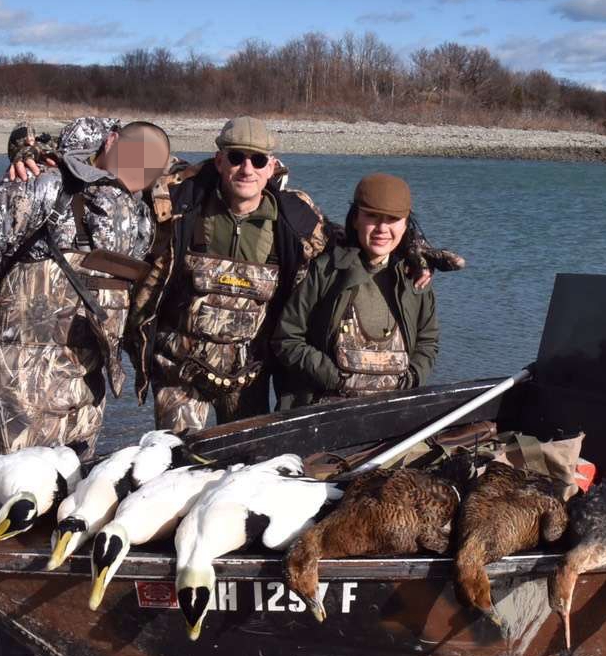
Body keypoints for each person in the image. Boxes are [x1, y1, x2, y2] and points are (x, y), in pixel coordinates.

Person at [0, 116, 171, 456]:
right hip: (25, 370)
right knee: (23, 482)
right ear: (111, 142)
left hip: (88, 373)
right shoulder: (47, 183)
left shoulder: (142, 211)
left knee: (74, 482)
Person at [127, 116, 328, 434]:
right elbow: (117, 160)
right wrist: (27, 150)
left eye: (258, 160)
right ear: (219, 160)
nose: (247, 169)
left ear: (272, 167)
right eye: (236, 157)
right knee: (176, 463)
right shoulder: (180, 202)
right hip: (178, 371)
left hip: (248, 375)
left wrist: (413, 261)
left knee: (243, 465)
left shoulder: (296, 220)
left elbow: (357, 244)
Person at [272, 173, 440, 408]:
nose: (382, 228)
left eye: (392, 219)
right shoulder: (325, 271)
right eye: (371, 216)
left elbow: (428, 342)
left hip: (392, 408)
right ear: (355, 219)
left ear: (405, 224)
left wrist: (411, 378)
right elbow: (287, 338)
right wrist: (332, 377)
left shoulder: (415, 278)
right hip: (325, 407)